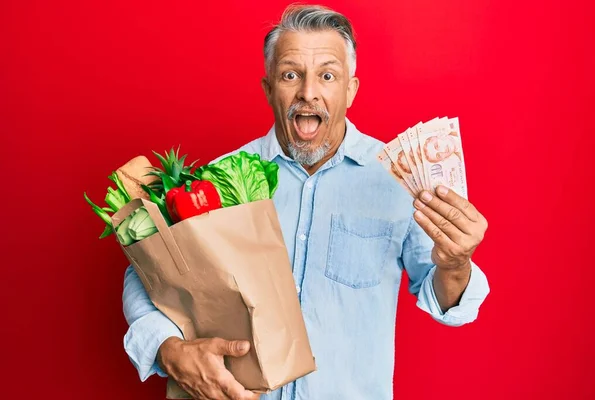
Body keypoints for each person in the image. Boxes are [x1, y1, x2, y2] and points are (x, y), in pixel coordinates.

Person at [122, 4, 490, 400]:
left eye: (327, 75)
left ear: (350, 89)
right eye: (290, 75)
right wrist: (168, 349)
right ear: (268, 89)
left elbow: (449, 305)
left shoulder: (398, 181)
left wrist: (455, 264)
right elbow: (149, 272)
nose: (308, 92)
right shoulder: (218, 178)